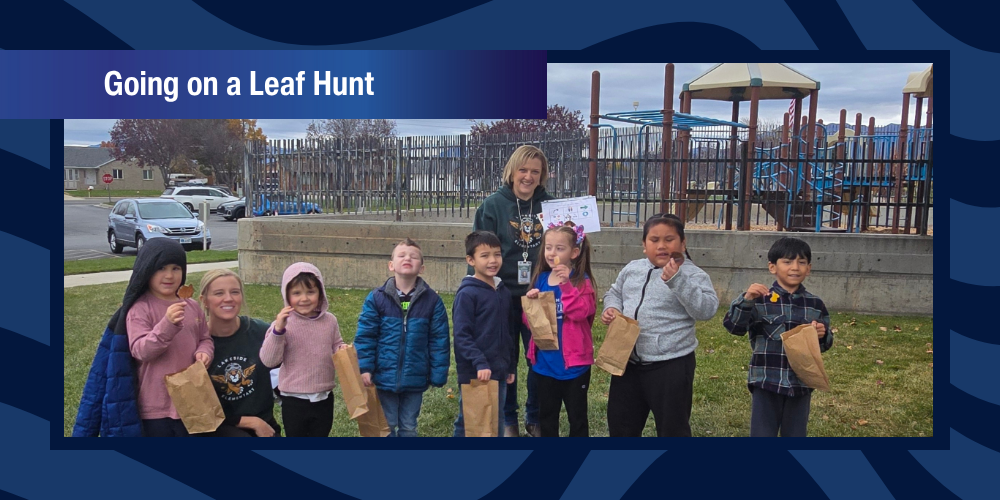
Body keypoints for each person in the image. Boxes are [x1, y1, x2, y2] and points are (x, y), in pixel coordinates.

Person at [73, 238, 209, 437]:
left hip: (191, 400)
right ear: (147, 270)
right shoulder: (140, 309)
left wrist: (204, 351)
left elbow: (205, 337)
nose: (169, 275)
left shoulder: (192, 306)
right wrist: (167, 325)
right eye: (161, 268)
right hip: (155, 407)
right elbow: (141, 350)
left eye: (176, 268)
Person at [601, 214, 719, 437]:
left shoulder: (693, 275)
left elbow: (707, 310)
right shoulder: (632, 269)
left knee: (672, 428)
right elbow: (614, 292)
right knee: (621, 426)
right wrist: (612, 308)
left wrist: (677, 280)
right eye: (654, 240)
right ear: (644, 245)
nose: (662, 246)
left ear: (682, 243)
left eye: (669, 239)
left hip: (670, 365)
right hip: (627, 362)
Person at [472, 144, 553, 437]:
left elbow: (567, 246)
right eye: (524, 170)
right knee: (504, 361)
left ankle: (535, 415)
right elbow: (479, 252)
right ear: (512, 171)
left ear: (542, 175)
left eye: (535, 171)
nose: (528, 177)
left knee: (539, 358)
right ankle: (509, 419)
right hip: (501, 295)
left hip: (539, 294)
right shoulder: (493, 206)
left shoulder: (550, 206)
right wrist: (479, 294)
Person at [723, 237, 833, 437]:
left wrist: (822, 335)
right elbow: (734, 327)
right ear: (772, 267)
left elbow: (825, 344)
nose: (795, 267)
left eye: (801, 262)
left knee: (796, 435)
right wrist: (746, 300)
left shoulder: (815, 304)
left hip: (801, 383)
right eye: (787, 261)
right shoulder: (760, 300)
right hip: (766, 381)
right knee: (762, 434)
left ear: (809, 268)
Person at [355, 238, 451, 437]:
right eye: (401, 255)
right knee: (387, 424)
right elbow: (366, 336)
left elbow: (439, 340)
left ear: (421, 268)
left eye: (413, 256)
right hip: (384, 376)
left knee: (409, 426)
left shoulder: (432, 301)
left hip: (415, 377)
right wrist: (364, 368)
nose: (407, 258)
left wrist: (438, 373)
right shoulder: (377, 298)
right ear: (391, 265)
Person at [523, 222, 597, 437]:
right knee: (547, 417)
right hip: (545, 364)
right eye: (548, 247)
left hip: (575, 366)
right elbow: (530, 323)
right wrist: (532, 305)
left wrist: (566, 286)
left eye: (559, 248)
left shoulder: (582, 283)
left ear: (574, 252)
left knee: (577, 418)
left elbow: (581, 313)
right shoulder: (541, 279)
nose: (552, 252)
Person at [259, 262, 347, 437]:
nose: (304, 298)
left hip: (324, 396)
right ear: (287, 295)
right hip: (294, 398)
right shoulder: (283, 324)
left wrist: (342, 350)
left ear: (320, 293)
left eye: (311, 292)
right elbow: (269, 360)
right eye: (296, 293)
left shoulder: (330, 321)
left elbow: (336, 344)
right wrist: (278, 331)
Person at [199, 269, 280, 437]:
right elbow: (196, 408)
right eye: (219, 293)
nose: (228, 298)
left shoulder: (261, 332)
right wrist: (250, 422)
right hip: (217, 428)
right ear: (204, 301)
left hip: (264, 424)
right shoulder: (196, 343)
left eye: (235, 292)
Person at [452, 231, 517, 437]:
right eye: (485, 255)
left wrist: (510, 365)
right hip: (475, 373)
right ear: (470, 260)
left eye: (497, 254)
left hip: (499, 371)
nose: (493, 260)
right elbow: (462, 335)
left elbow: (508, 332)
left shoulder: (503, 291)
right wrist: (479, 362)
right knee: (470, 421)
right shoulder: (467, 294)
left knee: (495, 420)